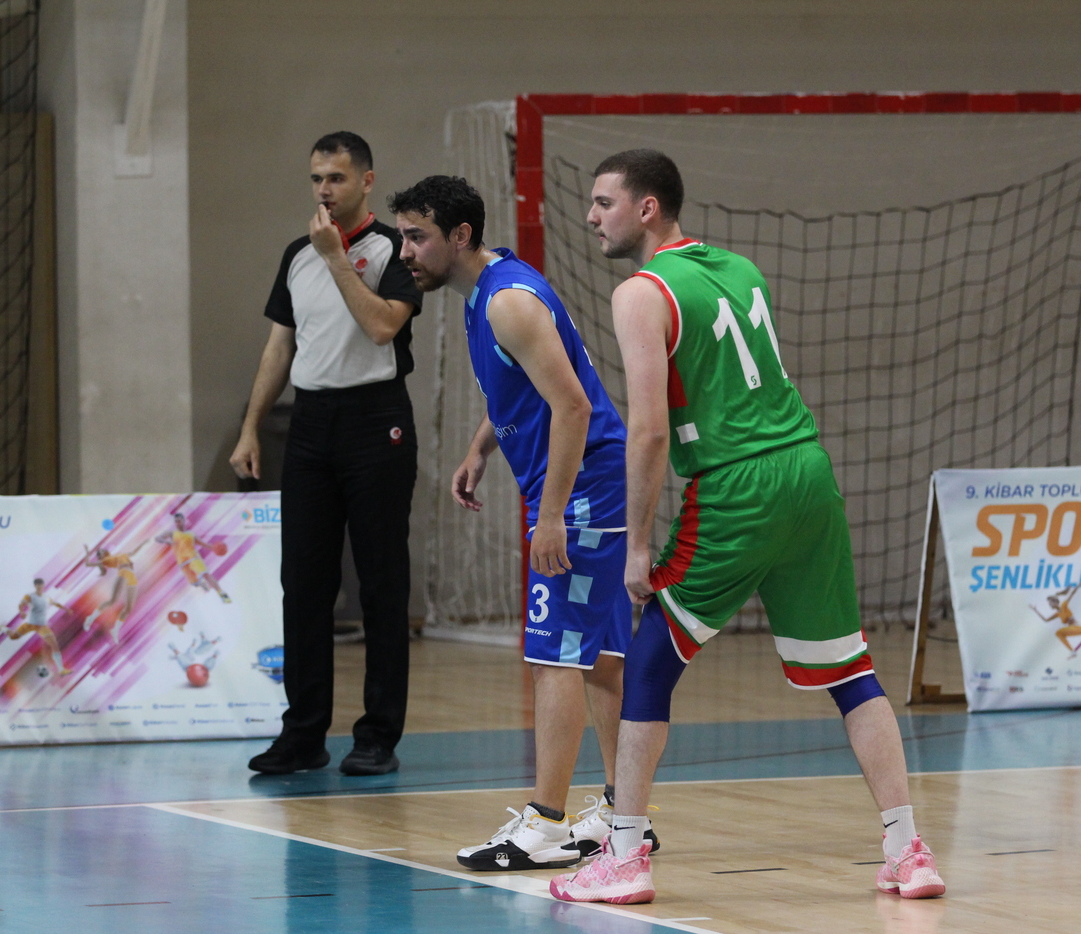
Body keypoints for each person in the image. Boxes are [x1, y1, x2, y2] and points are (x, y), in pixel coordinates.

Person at [551, 150, 945, 904]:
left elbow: (649, 431)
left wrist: (638, 545)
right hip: (809, 473)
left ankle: (625, 856)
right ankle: (908, 850)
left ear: (647, 208)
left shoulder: (640, 293)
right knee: (851, 671)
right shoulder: (740, 269)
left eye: (604, 202)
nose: (591, 216)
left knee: (649, 661)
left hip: (738, 484)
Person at [390, 176, 643, 870]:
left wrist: (552, 514)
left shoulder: (507, 301)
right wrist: (481, 447)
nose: (405, 251)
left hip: (581, 489)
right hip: (587, 484)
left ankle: (547, 823)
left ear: (460, 236)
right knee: (602, 658)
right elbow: (525, 384)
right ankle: (624, 814)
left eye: (417, 236)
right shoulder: (491, 288)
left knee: (553, 656)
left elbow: (573, 407)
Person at [232, 132, 422, 777]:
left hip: (377, 421)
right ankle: (303, 733)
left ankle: (378, 736)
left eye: (336, 178)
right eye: (316, 178)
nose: (323, 189)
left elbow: (382, 326)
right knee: (304, 583)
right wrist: (251, 427)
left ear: (366, 181)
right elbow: (279, 347)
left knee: (380, 583)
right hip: (311, 424)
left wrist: (337, 258)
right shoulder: (297, 254)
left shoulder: (395, 250)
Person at [0, 578, 72, 675]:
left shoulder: (46, 597)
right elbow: (21, 604)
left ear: (43, 586)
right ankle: (3, 628)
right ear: (35, 586)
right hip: (30, 624)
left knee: (54, 645)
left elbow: (56, 604)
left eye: (41, 586)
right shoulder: (30, 596)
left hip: (42, 626)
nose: (40, 588)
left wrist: (66, 609)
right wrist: (22, 612)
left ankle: (61, 669)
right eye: (38, 586)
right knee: (14, 636)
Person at [155, 512, 230, 603]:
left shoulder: (191, 534)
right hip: (183, 563)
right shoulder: (171, 533)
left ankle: (222, 594)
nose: (177, 523)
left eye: (179, 521)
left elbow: (203, 544)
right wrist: (167, 542)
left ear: (183, 521)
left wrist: (214, 548)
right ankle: (202, 584)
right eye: (176, 521)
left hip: (194, 558)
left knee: (206, 574)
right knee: (195, 583)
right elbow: (157, 538)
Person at [83, 542, 146, 644]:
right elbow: (88, 564)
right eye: (99, 553)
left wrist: (143, 544)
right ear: (100, 556)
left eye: (101, 550)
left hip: (132, 577)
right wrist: (87, 552)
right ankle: (91, 618)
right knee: (113, 601)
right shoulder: (105, 560)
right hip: (123, 573)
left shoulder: (121, 554)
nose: (101, 552)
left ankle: (115, 630)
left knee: (129, 608)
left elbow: (134, 552)